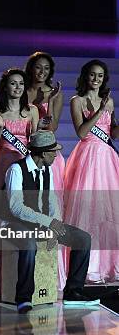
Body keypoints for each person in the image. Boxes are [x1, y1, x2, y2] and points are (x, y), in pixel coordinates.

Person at [3, 130, 98, 313]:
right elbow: (16, 208)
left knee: (83, 239)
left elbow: (53, 201)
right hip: (15, 224)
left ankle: (73, 291)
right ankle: (23, 298)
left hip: (42, 222)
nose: (56, 155)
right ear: (43, 153)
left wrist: (56, 224)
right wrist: (48, 222)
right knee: (29, 245)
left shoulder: (47, 170)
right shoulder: (16, 170)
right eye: (53, 152)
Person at [64, 59, 118, 284]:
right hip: (87, 157)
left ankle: (109, 267)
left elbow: (112, 133)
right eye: (93, 75)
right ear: (86, 76)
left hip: (106, 158)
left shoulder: (110, 101)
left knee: (108, 214)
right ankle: (87, 270)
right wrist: (100, 111)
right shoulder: (77, 101)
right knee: (87, 213)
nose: (96, 79)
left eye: (100, 76)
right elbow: (82, 132)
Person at [25, 52, 65, 191]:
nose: (42, 72)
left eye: (46, 68)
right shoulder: (21, 91)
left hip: (46, 150)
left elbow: (52, 128)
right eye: (38, 67)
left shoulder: (56, 94)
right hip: (23, 146)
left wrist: (50, 101)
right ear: (31, 68)